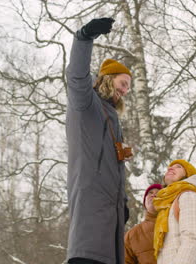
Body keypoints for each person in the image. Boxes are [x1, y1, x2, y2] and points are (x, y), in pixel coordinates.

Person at [66, 17, 133, 264]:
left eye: (128, 88)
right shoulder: (86, 104)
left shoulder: (113, 118)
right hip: (90, 216)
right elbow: (76, 76)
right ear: (107, 78)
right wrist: (84, 37)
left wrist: (123, 202)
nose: (126, 90)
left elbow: (118, 163)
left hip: (111, 218)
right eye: (123, 83)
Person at [153, 160, 196, 264]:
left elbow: (193, 240)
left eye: (178, 167)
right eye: (169, 168)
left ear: (189, 175)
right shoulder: (167, 207)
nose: (170, 168)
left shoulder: (189, 196)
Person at [124, 184, 162, 264]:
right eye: (150, 193)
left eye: (159, 193)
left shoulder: (177, 224)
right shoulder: (132, 235)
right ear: (145, 202)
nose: (154, 195)